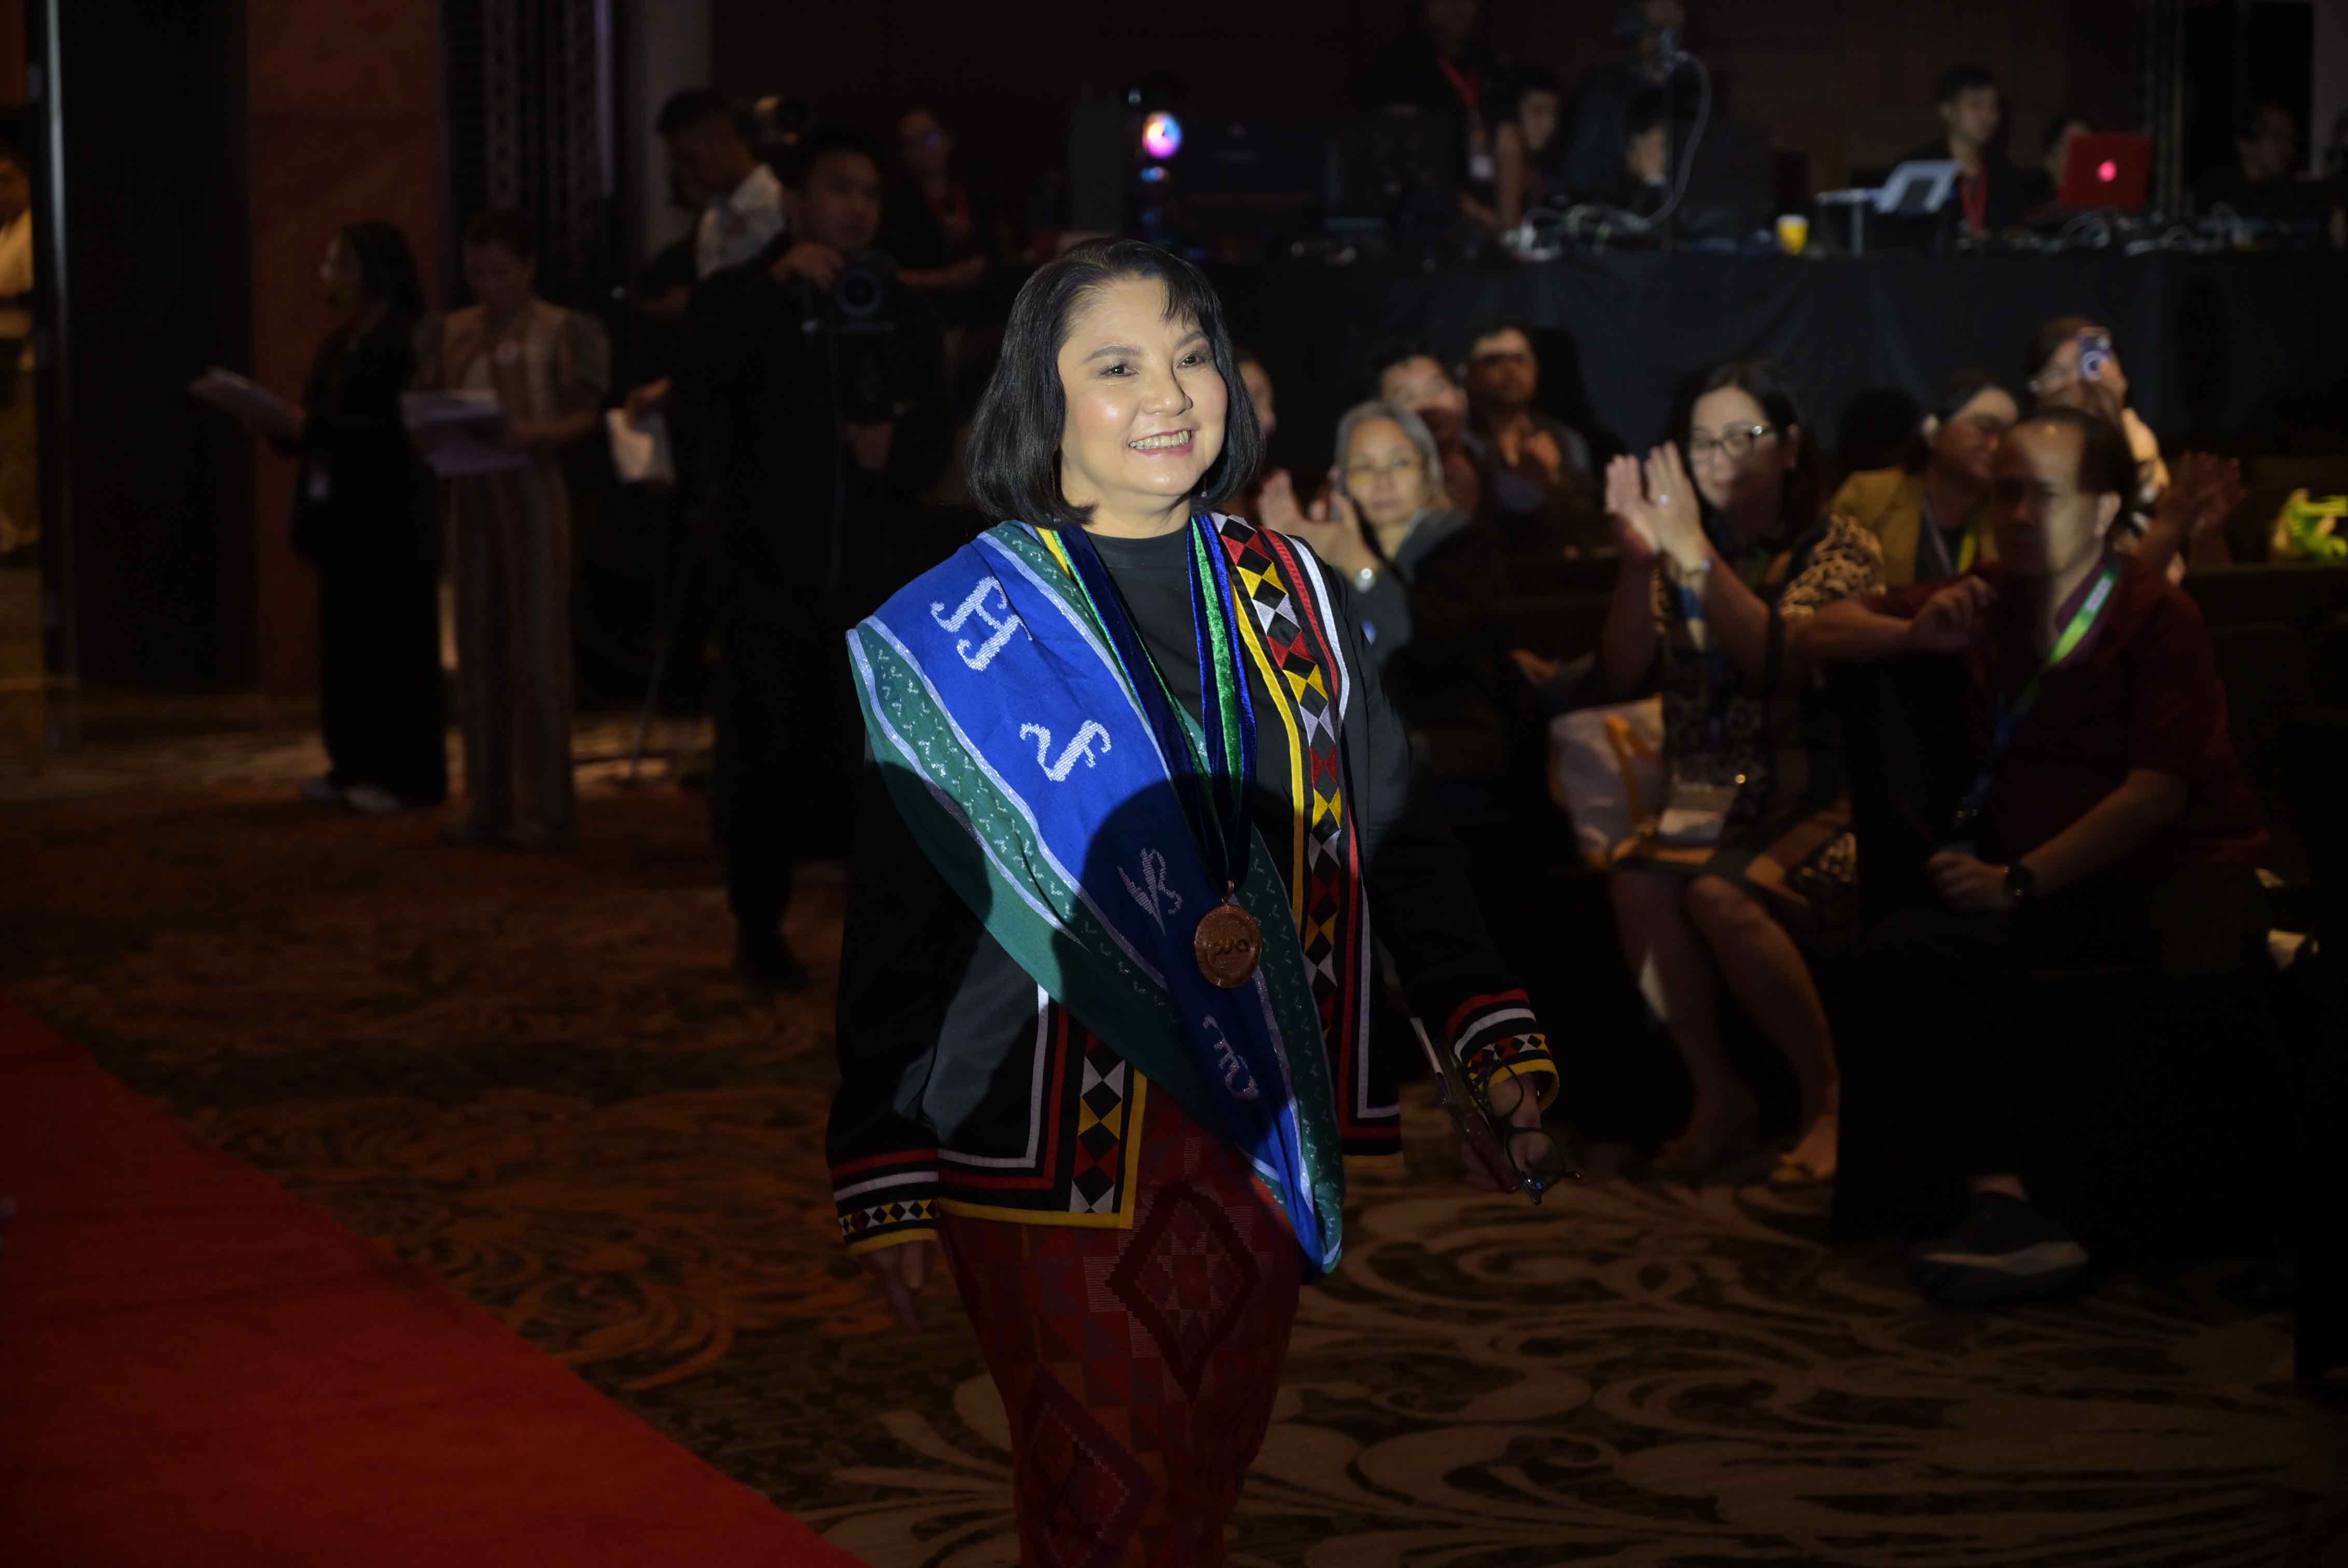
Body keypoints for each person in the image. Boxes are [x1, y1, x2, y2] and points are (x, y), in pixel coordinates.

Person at [830, 239, 1560, 1563]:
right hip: (1044, 1143)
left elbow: (1394, 834)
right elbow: (901, 911)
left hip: (1256, 1116)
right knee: (1109, 1510)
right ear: (1041, 400)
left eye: (1190, 356)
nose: (1169, 394)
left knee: (1196, 1487)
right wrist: (882, 1154)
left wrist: (1476, 1024)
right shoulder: (965, 626)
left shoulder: (1298, 596)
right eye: (1116, 366)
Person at [1794, 407, 2268, 1307]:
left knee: (2148, 963)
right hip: (2038, 876)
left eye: (2040, 495)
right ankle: (2001, 1201)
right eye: (2003, 493)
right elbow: (1814, 630)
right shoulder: (1990, 595)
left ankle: (2087, 1215)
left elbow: (2155, 795)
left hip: (2167, 872)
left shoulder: (2155, 614)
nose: (2015, 514)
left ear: (2101, 510)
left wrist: (2018, 879)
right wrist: (1913, 632)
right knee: (1903, 948)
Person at [673, 127, 946, 990]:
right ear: (794, 202)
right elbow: (697, 394)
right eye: (839, 188)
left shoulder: (898, 304)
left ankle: (881, 947)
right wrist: (772, 294)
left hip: (876, 578)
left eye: (869, 192)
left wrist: (895, 444)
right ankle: (758, 928)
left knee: (875, 765)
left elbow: (940, 423)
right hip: (766, 575)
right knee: (763, 756)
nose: (857, 208)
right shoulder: (740, 296)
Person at [1598, 360, 1882, 1183]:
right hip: (1705, 793)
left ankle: (1829, 1100)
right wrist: (1638, 565)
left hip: (1814, 795)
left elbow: (1777, 660)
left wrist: (1690, 549)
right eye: (1701, 442)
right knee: (1636, 883)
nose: (1719, 457)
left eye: (1742, 437)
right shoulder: (1683, 543)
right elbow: (1620, 673)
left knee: (1719, 896)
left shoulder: (1840, 547)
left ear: (1790, 448)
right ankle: (1717, 1093)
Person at [413, 211, 611, 849]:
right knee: (477, 642)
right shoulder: (454, 331)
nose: (489, 286)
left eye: (502, 272)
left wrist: (533, 434)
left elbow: (587, 412)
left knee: (537, 646)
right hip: (470, 492)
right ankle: (487, 801)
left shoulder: (558, 329)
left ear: (528, 269)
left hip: (532, 489)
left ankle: (545, 807)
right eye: (477, 273)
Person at [245, 222, 448, 814]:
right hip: (339, 516)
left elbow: (399, 430)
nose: (328, 276)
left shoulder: (407, 339)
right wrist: (276, 426)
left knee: (394, 648)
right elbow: (316, 423)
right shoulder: (339, 344)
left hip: (390, 516)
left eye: (341, 264)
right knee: (347, 649)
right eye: (329, 263)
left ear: (374, 272)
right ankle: (351, 763)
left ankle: (406, 775)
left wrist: (311, 427)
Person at [1829, 369, 2018, 590]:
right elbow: (1830, 591)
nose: (1996, 446)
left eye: (2007, 437)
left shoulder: (2007, 514)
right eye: (1985, 429)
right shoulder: (1867, 496)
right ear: (1934, 430)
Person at [1458, 323, 1601, 559]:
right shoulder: (1459, 443)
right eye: (1494, 360)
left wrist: (1552, 480)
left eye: (1520, 359)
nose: (1510, 370)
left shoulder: (1564, 439)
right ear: (1469, 373)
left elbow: (1589, 523)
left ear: (1535, 369)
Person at [1362, 0, 1503, 228]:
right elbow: (1403, 156)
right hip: (1426, 210)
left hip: (1484, 193)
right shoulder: (1400, 65)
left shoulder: (1487, 64)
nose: (1457, 8)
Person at [1558, 0, 1690, 209]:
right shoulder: (1605, 90)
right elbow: (1580, 172)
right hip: (1611, 209)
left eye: (1673, 29)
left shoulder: (1690, 90)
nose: (1666, 34)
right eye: (1657, 29)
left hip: (1672, 210)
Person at [2025, 315, 2167, 507]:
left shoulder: (2136, 437)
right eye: (2058, 373)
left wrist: (2113, 407)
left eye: (2086, 369)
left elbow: (2146, 498)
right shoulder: (2024, 449)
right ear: (2036, 387)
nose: (2075, 382)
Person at [657, 89, 786, 281]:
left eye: (689, 160)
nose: (683, 174)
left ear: (722, 138)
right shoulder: (713, 214)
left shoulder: (780, 207)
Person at [883, 108, 998, 307]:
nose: (921, 150)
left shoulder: (977, 196)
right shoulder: (893, 207)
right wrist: (947, 277)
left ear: (948, 140)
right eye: (910, 144)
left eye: (929, 139)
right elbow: (887, 272)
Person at [1900, 65, 2026, 237]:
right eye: (1976, 105)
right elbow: (1904, 233)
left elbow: (2017, 227)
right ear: (1946, 110)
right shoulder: (1921, 169)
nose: (1987, 116)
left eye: (1993, 106)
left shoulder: (2004, 172)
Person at [1375, 343, 1482, 515]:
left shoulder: (1502, 466)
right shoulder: (1380, 495)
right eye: (1405, 396)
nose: (1427, 404)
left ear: (1461, 397)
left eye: (1437, 388)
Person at [2195, 100, 2329, 228]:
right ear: (2244, 143)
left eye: (2291, 139)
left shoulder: (2292, 198)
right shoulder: (2217, 192)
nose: (2288, 147)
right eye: (2278, 137)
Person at [0, 141, 35, 561]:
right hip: (5, 351)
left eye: (6, 181)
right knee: (7, 445)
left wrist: (9, 298)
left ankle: (19, 535)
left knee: (20, 448)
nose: (1, 193)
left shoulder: (33, 232)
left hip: (24, 353)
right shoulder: (7, 233)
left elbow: (38, 294)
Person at [1492, 66, 1568, 229]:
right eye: (1537, 112)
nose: (1550, 125)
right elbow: (1510, 225)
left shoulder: (1545, 163)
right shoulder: (1508, 142)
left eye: (1554, 114)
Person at [2017, 112, 2089, 213]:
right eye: (2073, 145)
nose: (2082, 155)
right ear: (2053, 149)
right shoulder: (2027, 193)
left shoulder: (2093, 198)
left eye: (2086, 147)